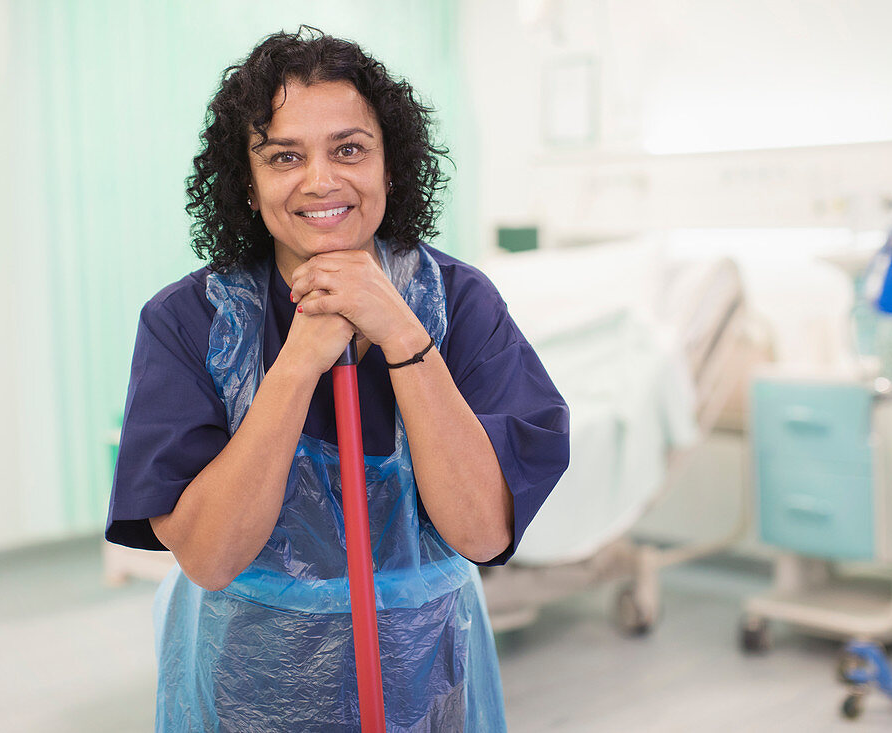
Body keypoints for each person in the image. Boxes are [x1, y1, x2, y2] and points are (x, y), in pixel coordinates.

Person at [106, 27, 569, 732]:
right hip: (244, 684)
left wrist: (403, 335)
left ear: (391, 166)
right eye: (284, 156)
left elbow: (481, 531)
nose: (321, 180)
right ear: (248, 181)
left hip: (428, 683)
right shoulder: (187, 321)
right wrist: (297, 360)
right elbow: (209, 555)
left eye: (349, 149)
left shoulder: (460, 304)